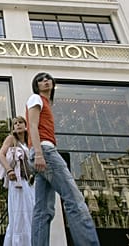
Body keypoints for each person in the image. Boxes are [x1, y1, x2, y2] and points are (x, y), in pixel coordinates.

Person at [26, 72, 100, 246]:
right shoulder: (36, 99)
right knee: (75, 201)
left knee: (43, 210)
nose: (45, 81)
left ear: (53, 83)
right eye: (40, 80)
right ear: (36, 86)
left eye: (47, 79)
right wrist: (38, 153)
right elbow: (32, 126)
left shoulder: (46, 104)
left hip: (42, 154)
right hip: (45, 152)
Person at [0, 116, 34, 246]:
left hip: (31, 183)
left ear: (25, 125)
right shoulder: (11, 139)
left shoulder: (30, 142)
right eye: (15, 123)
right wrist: (9, 170)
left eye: (20, 122)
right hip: (18, 182)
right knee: (20, 214)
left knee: (31, 213)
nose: (17, 125)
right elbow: (1, 155)